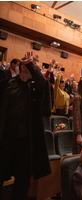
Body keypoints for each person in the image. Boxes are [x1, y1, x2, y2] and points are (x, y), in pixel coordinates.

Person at [0, 52, 52, 199]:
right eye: (32, 68)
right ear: (23, 67)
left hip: (26, 143)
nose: (37, 73)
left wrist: (33, 66)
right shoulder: (6, 84)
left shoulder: (35, 88)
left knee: (22, 180)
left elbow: (44, 82)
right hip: (5, 141)